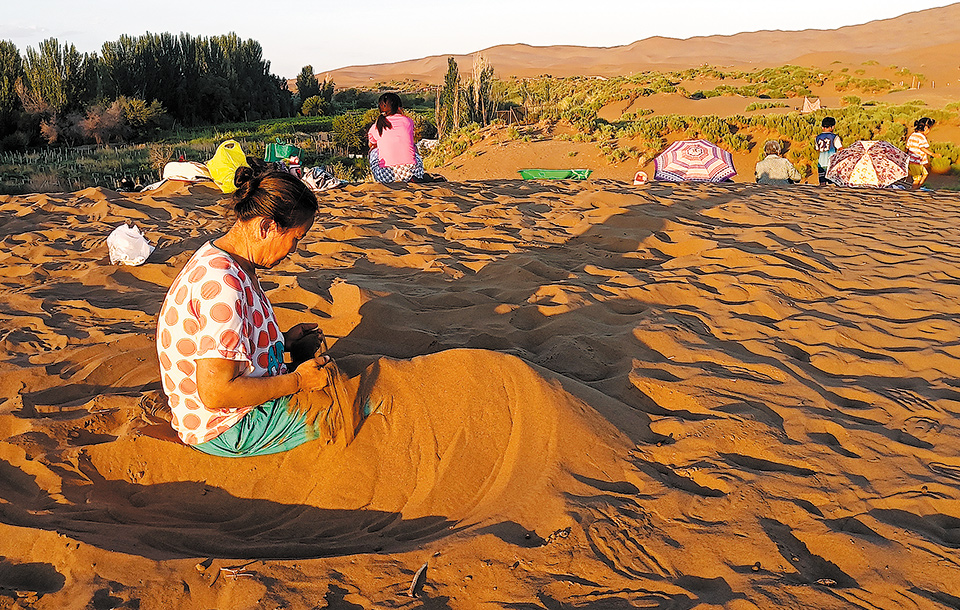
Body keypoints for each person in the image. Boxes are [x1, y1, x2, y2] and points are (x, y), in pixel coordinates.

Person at [156, 169, 359, 456]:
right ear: (266, 227)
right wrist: (298, 381)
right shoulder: (223, 284)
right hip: (226, 426)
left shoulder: (225, 257)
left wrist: (280, 341)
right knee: (354, 401)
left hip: (228, 410)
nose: (294, 248)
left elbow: (227, 342)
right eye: (296, 237)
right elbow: (216, 392)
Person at [367, 92, 424, 183]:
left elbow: (371, 144)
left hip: (387, 176)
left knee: (374, 151)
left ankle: (378, 180)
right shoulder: (408, 121)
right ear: (399, 108)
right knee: (413, 147)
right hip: (412, 173)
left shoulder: (376, 126)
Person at [906, 117, 941, 190]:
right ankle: (913, 191)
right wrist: (933, 154)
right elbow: (922, 148)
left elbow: (907, 147)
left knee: (925, 174)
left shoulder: (912, 135)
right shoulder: (922, 137)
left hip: (913, 161)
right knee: (917, 178)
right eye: (929, 129)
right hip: (915, 162)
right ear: (925, 128)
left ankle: (917, 188)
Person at [815, 117, 843, 185]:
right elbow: (840, 148)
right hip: (831, 163)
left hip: (821, 164)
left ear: (822, 127)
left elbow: (817, 149)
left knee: (822, 183)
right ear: (832, 127)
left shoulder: (817, 137)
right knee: (833, 183)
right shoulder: (834, 137)